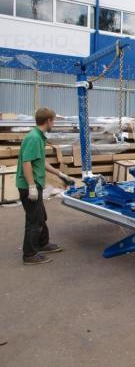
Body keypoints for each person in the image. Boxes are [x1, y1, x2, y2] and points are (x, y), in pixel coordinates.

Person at [16, 107, 73, 265]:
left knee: (40, 216)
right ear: (48, 121)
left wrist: (59, 174)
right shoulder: (34, 138)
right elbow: (27, 162)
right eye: (53, 121)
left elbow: (40, 161)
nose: (53, 124)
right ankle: (29, 255)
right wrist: (31, 186)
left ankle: (42, 243)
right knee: (34, 220)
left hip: (35, 184)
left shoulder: (39, 137)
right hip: (29, 186)